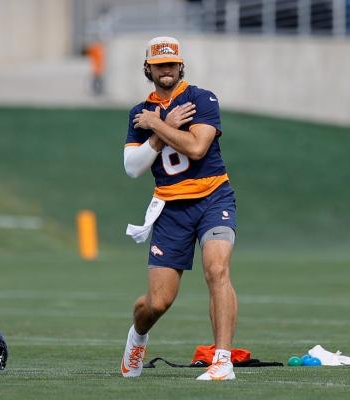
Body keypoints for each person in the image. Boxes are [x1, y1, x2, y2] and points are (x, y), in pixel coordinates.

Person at [121, 36, 238, 381]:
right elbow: (132, 167)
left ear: (180, 65)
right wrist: (163, 127)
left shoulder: (201, 98)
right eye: (160, 65)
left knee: (217, 270)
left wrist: (155, 124)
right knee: (157, 303)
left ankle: (222, 360)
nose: (166, 70)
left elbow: (199, 147)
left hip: (214, 198)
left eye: (171, 64)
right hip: (171, 208)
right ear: (149, 68)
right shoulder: (138, 112)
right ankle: (137, 337)